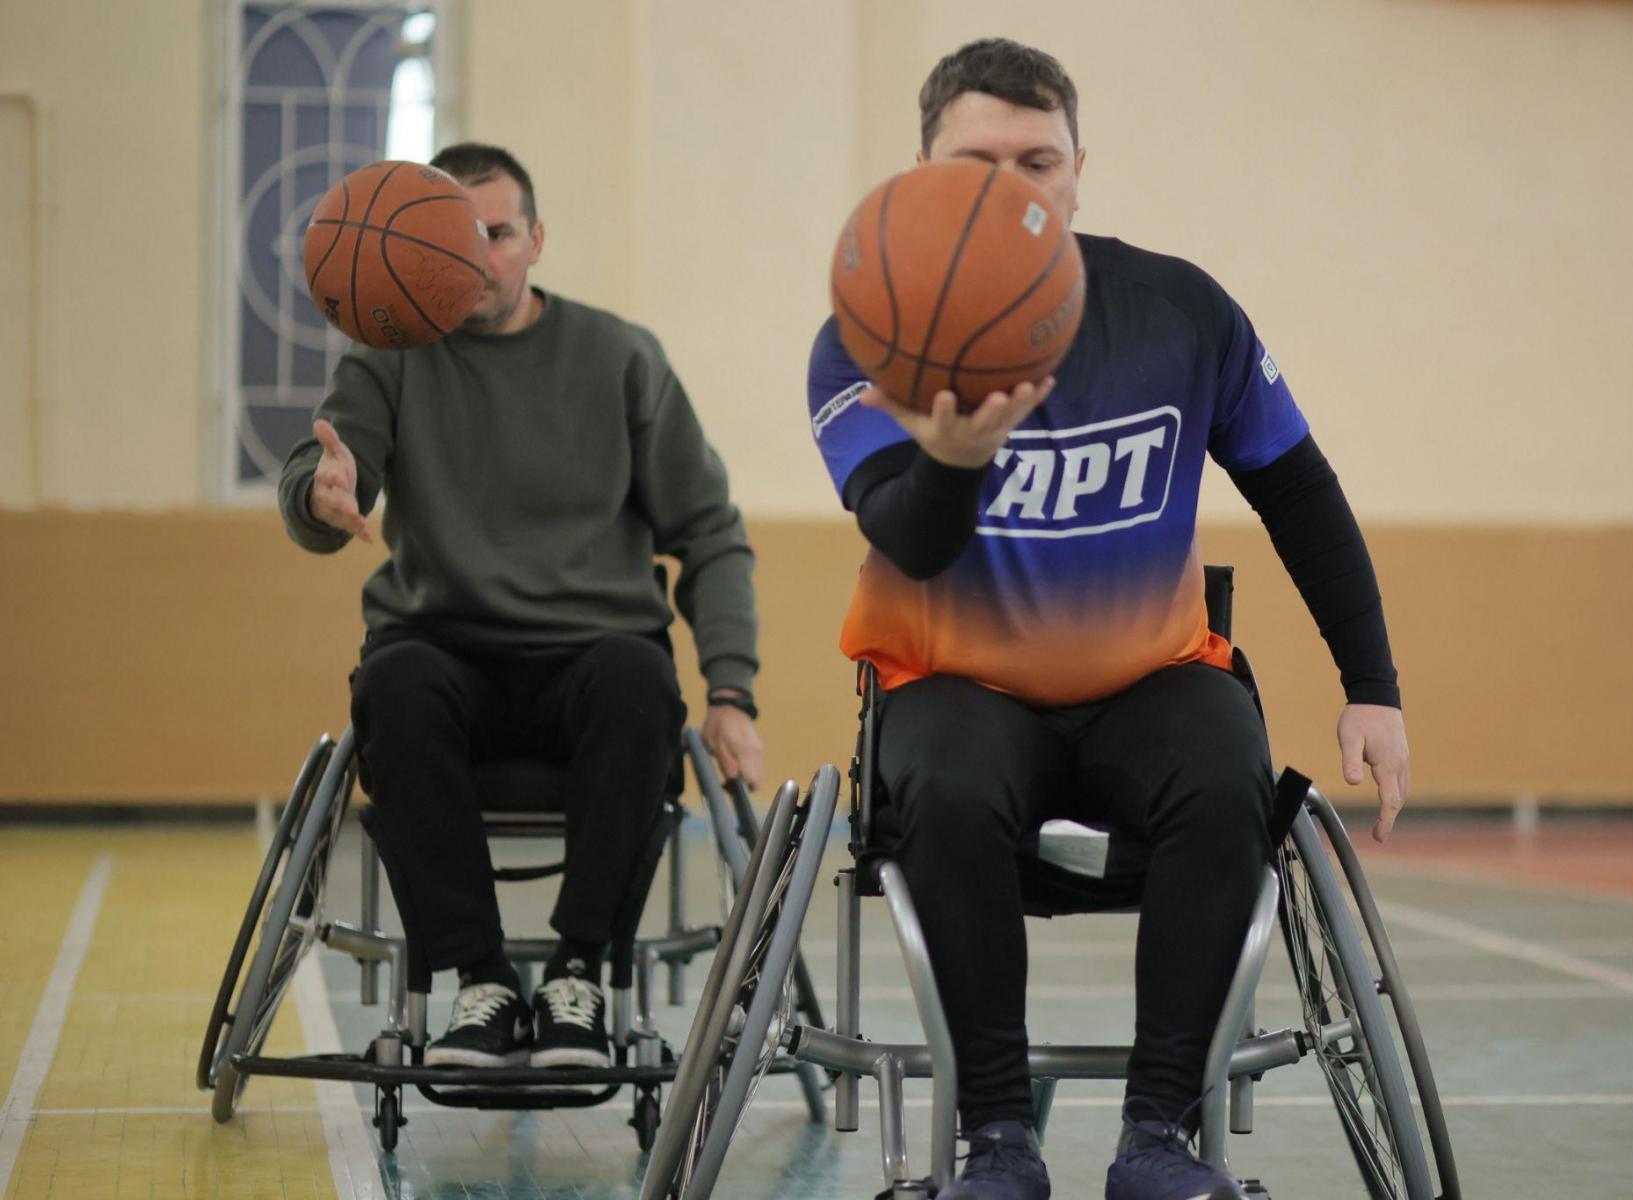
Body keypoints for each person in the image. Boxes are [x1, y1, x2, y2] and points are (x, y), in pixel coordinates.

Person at [806, 40, 1409, 1200]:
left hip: (1147, 680)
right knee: (950, 785)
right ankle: (996, 1140)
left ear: (1078, 172)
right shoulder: (869, 332)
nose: (1009, 190)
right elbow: (909, 536)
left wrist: (1372, 685)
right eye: (975, 164)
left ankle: (1158, 1139)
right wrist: (955, 460)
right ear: (922, 175)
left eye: (1037, 161)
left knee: (1227, 767)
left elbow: (1298, 491)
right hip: (955, 685)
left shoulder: (1179, 312)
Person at [279, 142, 762, 1071]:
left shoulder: (620, 357)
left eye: (495, 234)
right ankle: (481, 981)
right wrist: (320, 495)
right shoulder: (390, 355)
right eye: (453, 238)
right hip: (442, 654)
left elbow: (710, 533)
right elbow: (327, 472)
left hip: (592, 658)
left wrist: (733, 692)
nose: (475, 258)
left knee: (638, 680)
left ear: (536, 240)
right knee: (394, 684)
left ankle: (580, 974)